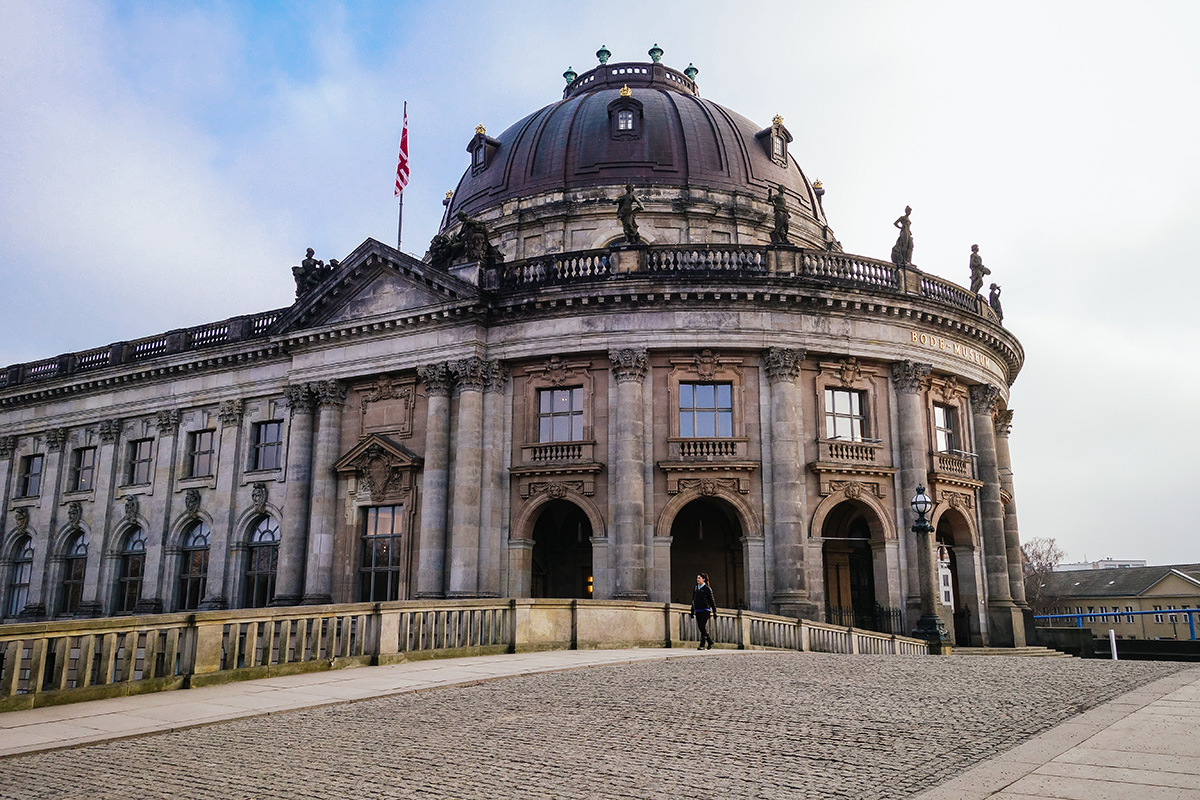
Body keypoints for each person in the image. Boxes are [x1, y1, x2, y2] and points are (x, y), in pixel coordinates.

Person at [690, 573, 717, 650]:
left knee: (702, 625)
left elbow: (712, 601)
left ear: (703, 579)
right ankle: (710, 641)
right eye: (697, 578)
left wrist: (714, 611)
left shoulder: (707, 589)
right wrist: (692, 611)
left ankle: (702, 644)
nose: (697, 579)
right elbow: (693, 600)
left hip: (705, 609)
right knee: (700, 627)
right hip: (698, 609)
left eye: (699, 578)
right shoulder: (695, 588)